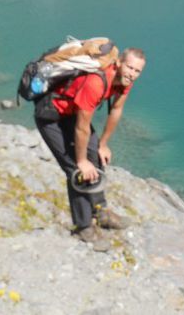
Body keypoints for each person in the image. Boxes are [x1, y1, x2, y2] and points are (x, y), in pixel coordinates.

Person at [34, 43, 146, 249]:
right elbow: (82, 128)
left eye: (138, 71)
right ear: (119, 62)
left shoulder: (124, 81)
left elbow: (116, 110)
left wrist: (103, 144)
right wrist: (82, 161)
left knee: (96, 154)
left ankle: (101, 211)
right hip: (51, 115)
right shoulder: (96, 82)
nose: (133, 74)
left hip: (72, 113)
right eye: (130, 68)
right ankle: (83, 227)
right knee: (78, 172)